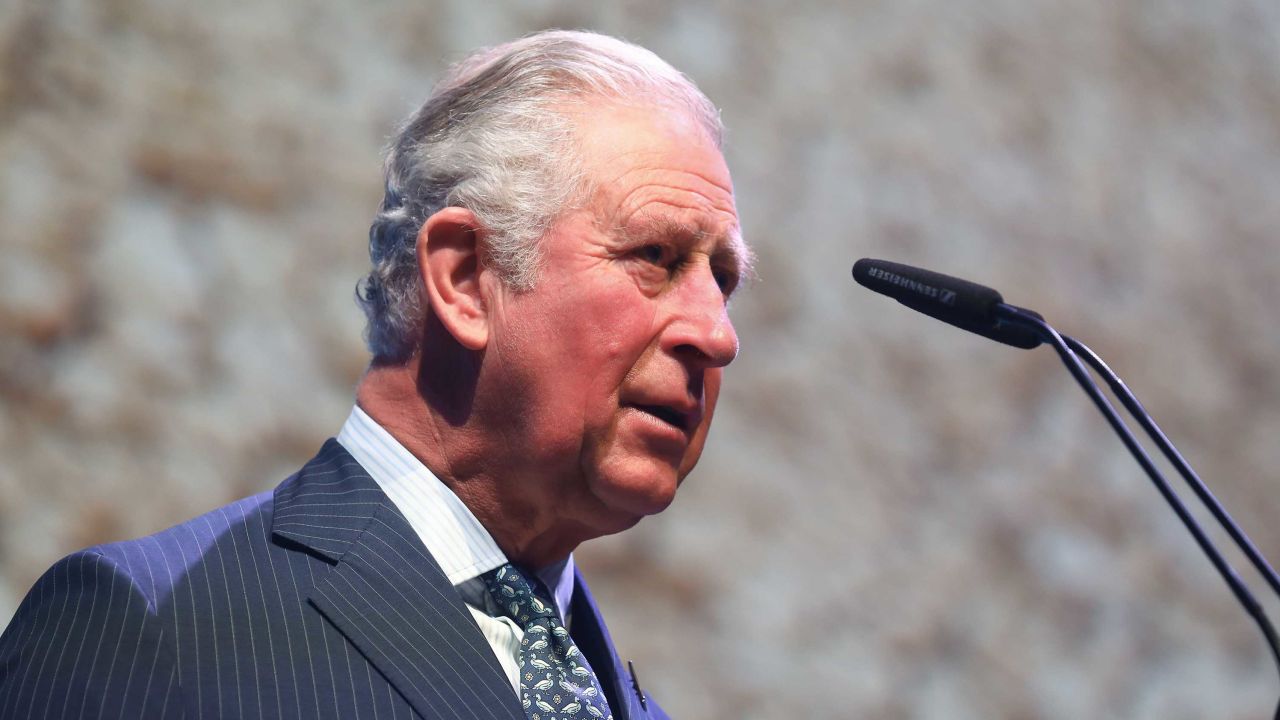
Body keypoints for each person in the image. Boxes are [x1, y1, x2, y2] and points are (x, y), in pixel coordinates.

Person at [0, 29, 748, 720]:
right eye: (656, 258)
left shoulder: (612, 693)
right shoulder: (155, 628)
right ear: (463, 278)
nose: (717, 335)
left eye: (722, 280)